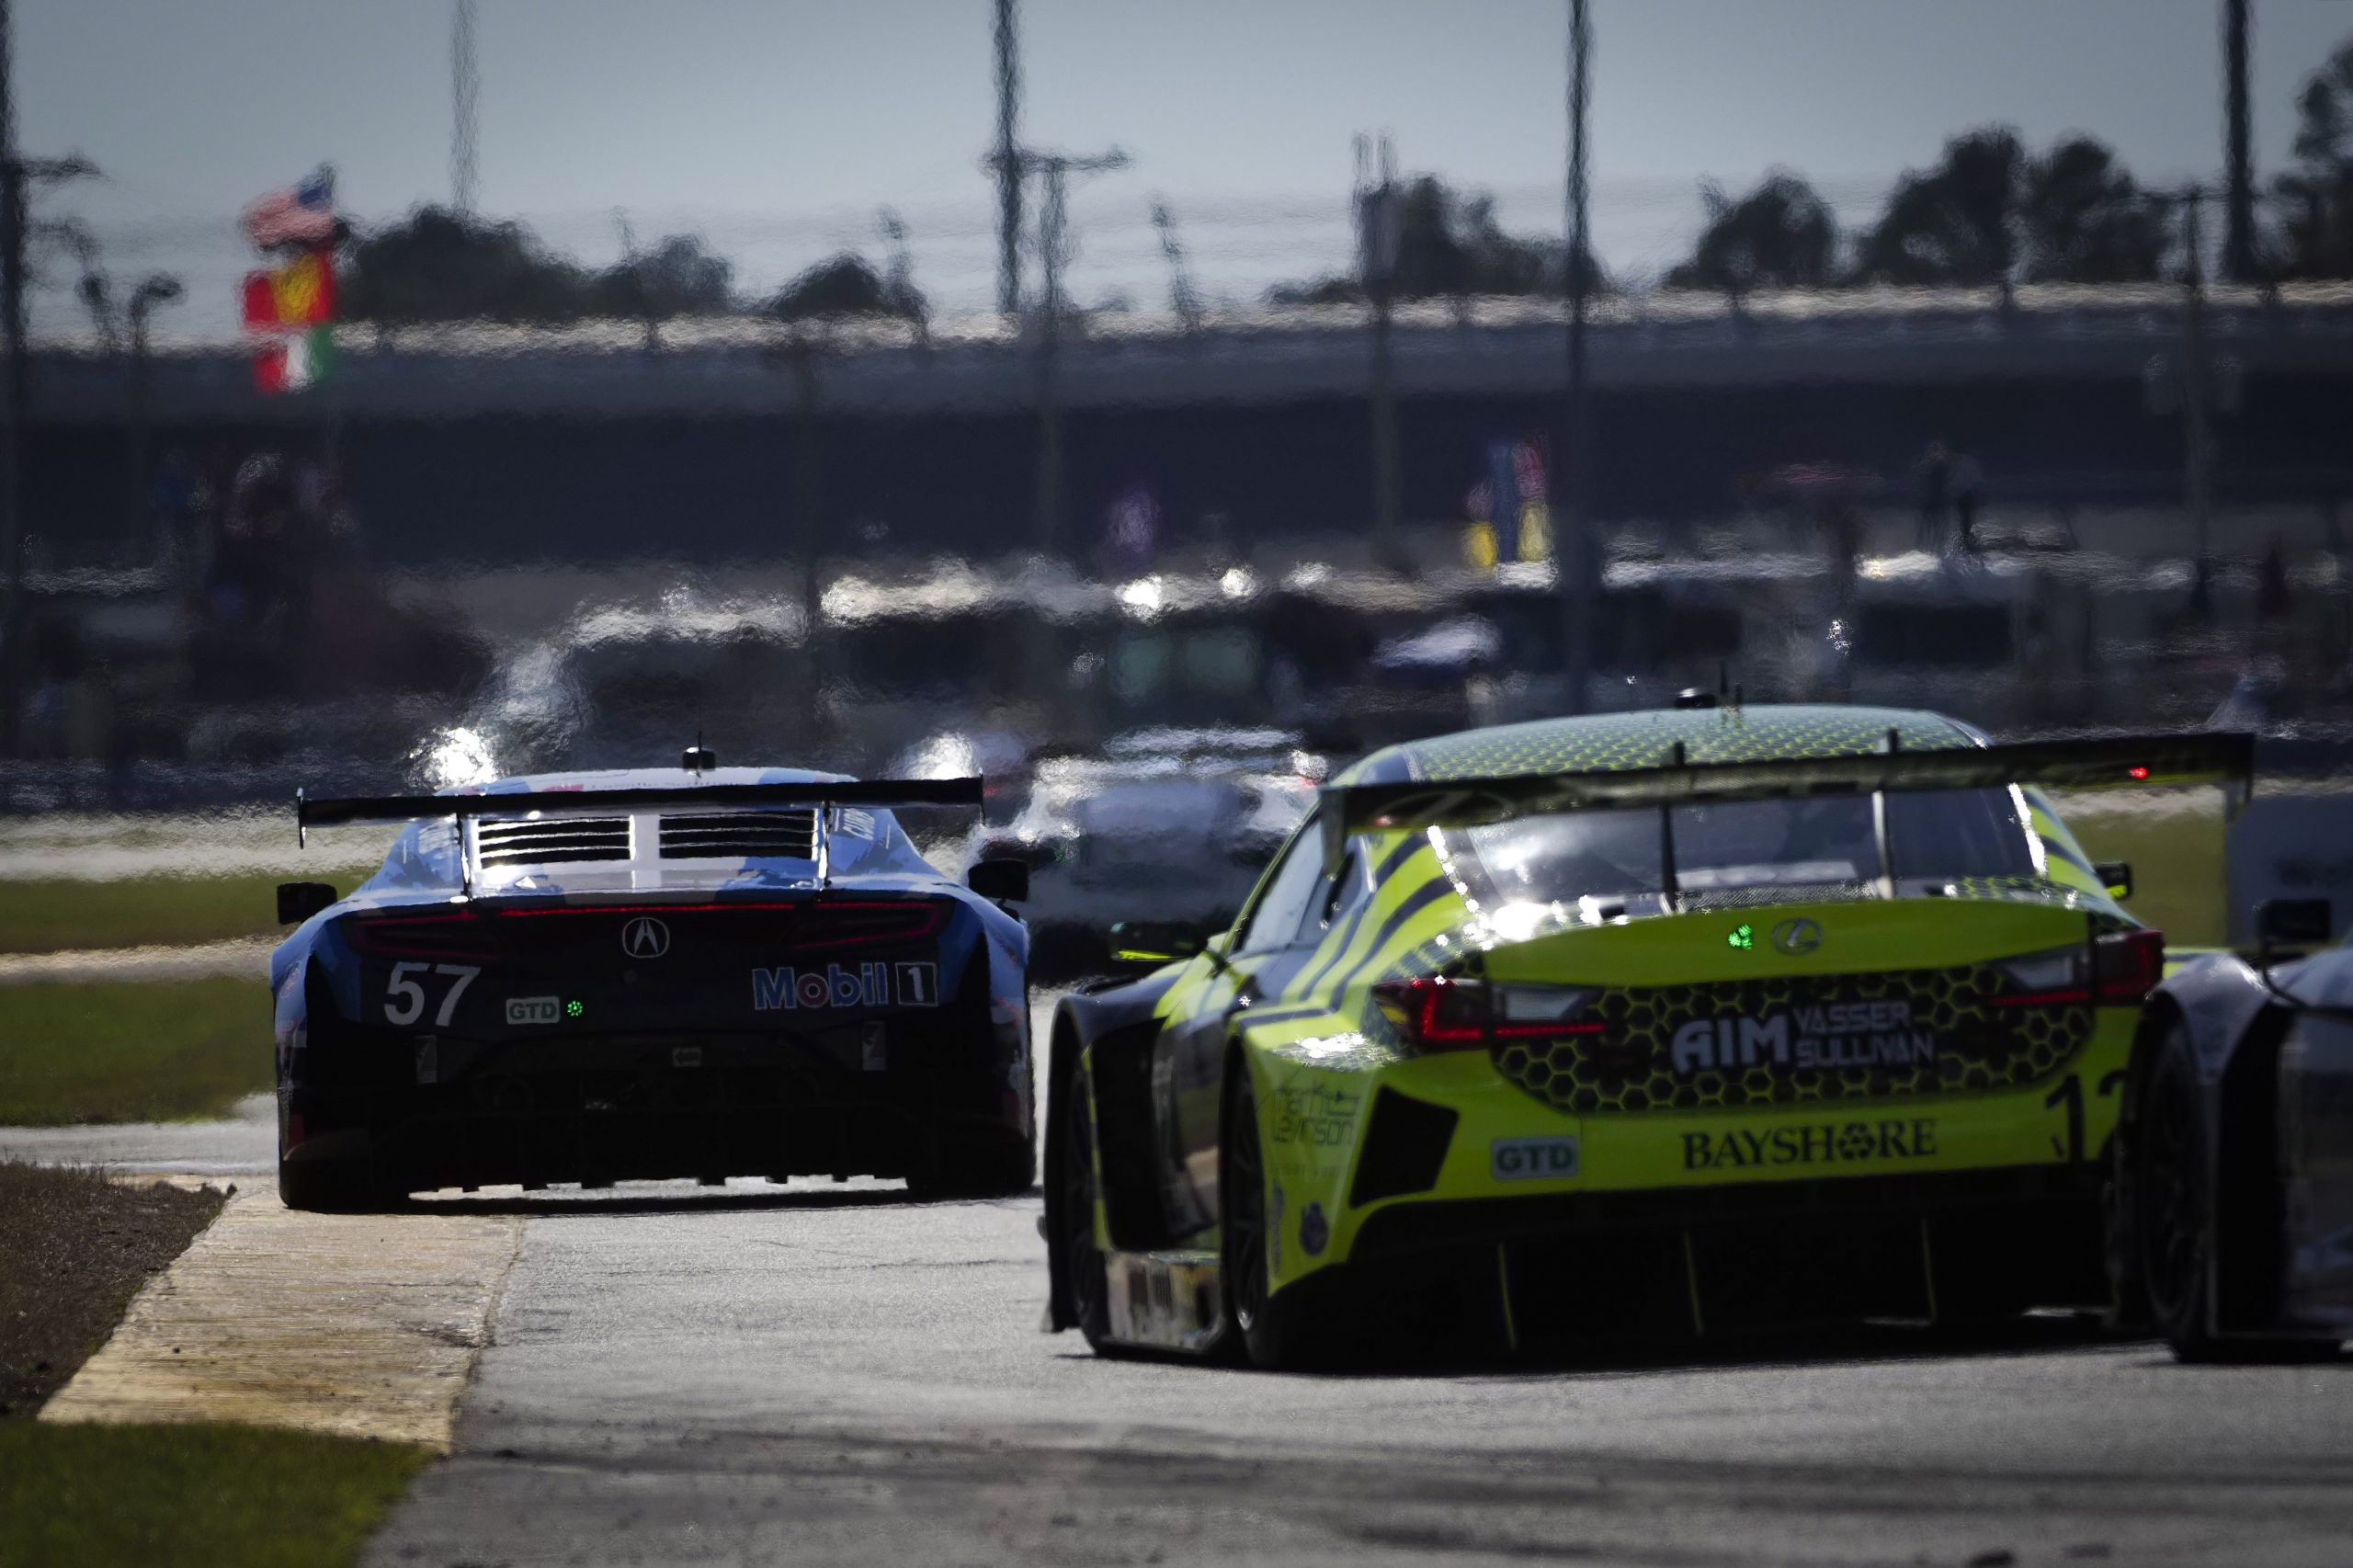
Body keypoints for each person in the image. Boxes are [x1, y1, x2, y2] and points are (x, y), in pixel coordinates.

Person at [1915, 440, 1952, 553]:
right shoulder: (1936, 463)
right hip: (1934, 497)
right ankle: (1929, 546)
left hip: (1936, 497)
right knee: (1930, 522)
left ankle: (1932, 546)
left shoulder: (1935, 464)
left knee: (1932, 522)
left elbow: (1924, 478)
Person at [1951, 449, 1984, 552]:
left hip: (1963, 493)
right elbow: (1975, 477)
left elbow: (1954, 478)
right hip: (1967, 492)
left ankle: (1965, 537)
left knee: (1964, 516)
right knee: (1966, 516)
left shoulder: (1958, 461)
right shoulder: (1970, 461)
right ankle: (1966, 537)